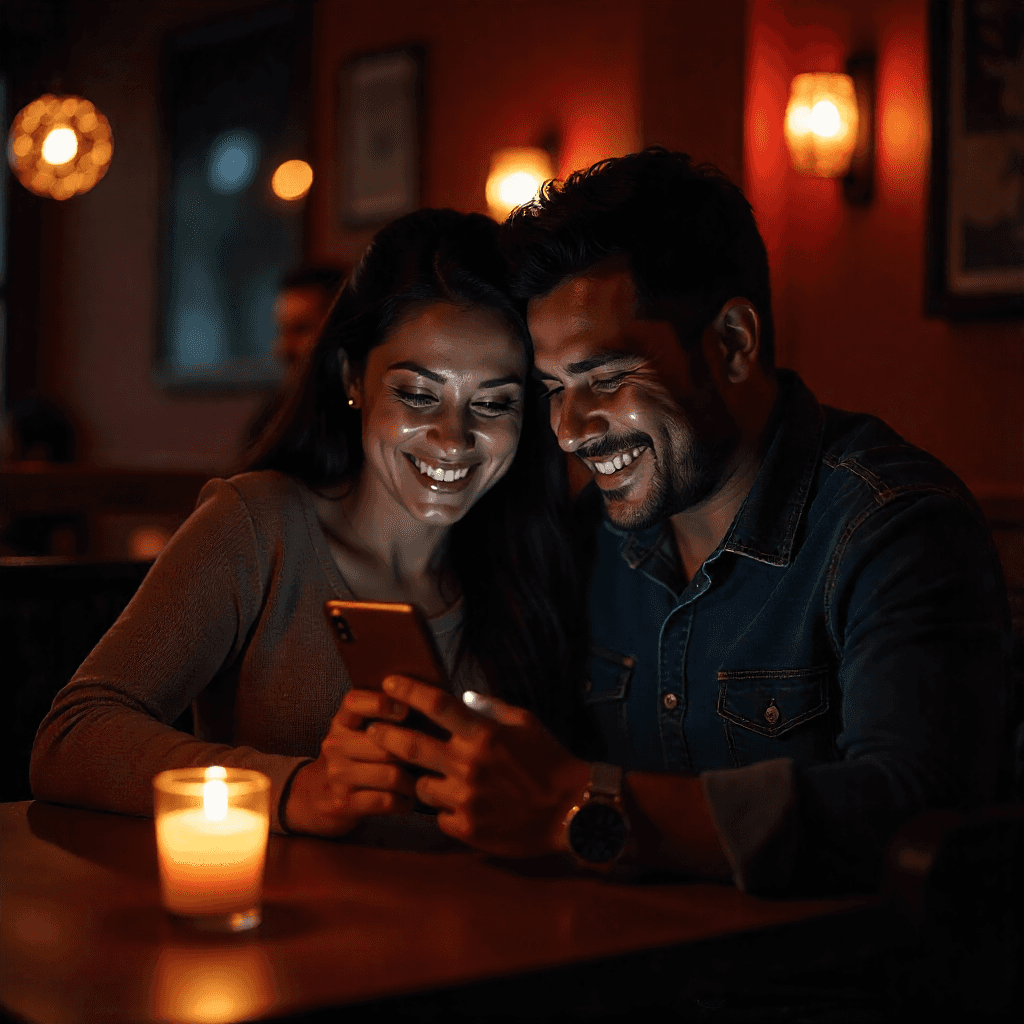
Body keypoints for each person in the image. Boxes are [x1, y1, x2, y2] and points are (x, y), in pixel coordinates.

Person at [355, 149, 1014, 894]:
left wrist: (578, 809)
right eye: (551, 388)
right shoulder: (587, 537)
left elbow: (911, 816)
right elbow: (524, 763)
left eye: (606, 377)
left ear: (732, 343)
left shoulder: (893, 528)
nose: (570, 428)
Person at [30, 209, 587, 840]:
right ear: (353, 379)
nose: (452, 439)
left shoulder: (539, 563)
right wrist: (295, 788)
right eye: (417, 394)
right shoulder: (259, 527)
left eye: (492, 403)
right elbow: (71, 737)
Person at [244, 265, 348, 450]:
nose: (281, 349)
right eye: (281, 331)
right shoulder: (273, 418)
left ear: (342, 331)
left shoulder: (369, 423)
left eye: (301, 329)